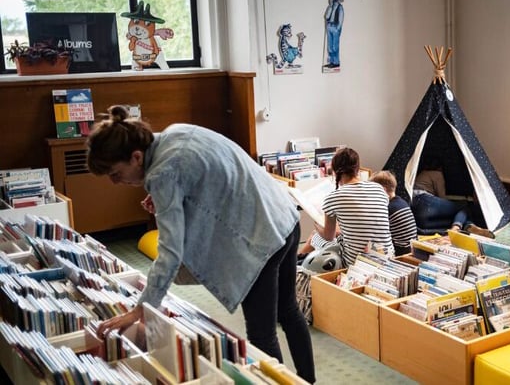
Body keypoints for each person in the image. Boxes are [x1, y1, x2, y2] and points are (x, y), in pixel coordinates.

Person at [87, 105, 315, 383]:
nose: (115, 182)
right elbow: (207, 178)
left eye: (116, 174)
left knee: (261, 335)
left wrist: (139, 310)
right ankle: (309, 380)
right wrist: (167, 199)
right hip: (282, 215)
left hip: (261, 239)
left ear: (136, 157)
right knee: (288, 310)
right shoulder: (173, 132)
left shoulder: (161, 174)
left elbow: (170, 253)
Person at [300, 147, 393, 266]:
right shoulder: (379, 189)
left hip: (355, 262)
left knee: (316, 236)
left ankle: (298, 267)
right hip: (387, 258)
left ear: (334, 171)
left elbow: (328, 237)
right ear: (358, 168)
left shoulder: (333, 197)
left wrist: (317, 223)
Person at [411, 159, 494, 239]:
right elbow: (441, 196)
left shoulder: (422, 173)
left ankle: (468, 227)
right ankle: (457, 228)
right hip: (425, 200)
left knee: (453, 216)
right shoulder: (437, 174)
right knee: (463, 206)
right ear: (440, 167)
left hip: (416, 209)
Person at [370, 170, 418, 256]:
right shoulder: (402, 202)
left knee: (369, 245)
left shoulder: (388, 208)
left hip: (399, 251)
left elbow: (375, 231)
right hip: (412, 248)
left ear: (382, 190)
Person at [324, 0, 345, 68]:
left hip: (335, 27)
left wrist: (337, 28)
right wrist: (330, 6)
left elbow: (340, 20)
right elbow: (327, 16)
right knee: (329, 46)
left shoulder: (340, 8)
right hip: (329, 26)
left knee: (334, 46)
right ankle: (331, 61)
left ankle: (336, 62)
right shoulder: (331, 7)